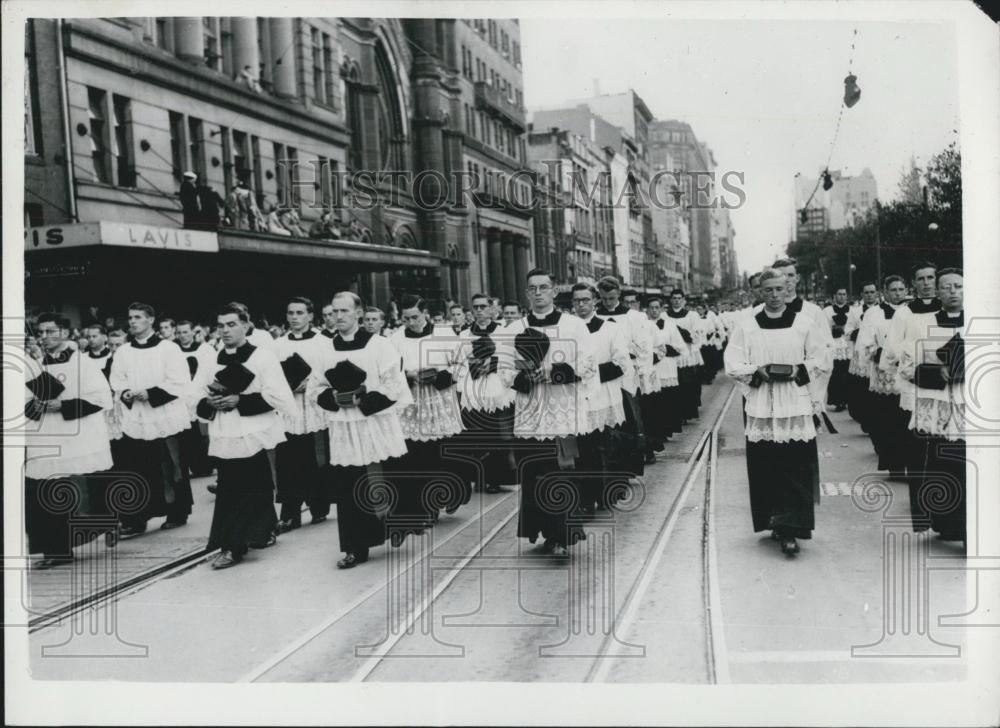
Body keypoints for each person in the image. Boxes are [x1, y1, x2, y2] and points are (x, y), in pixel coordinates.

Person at [724, 268, 831, 556]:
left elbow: (822, 359)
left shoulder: (804, 324)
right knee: (766, 467)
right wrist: (755, 371)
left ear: (788, 290)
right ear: (760, 291)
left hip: (795, 402)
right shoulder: (747, 327)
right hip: (762, 403)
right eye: (767, 290)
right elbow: (732, 363)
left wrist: (799, 370)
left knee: (796, 465)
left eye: (779, 290)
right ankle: (773, 520)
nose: (773, 295)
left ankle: (792, 526)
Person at [308, 292, 410, 569]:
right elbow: (314, 388)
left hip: (374, 422)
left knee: (382, 478)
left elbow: (394, 384)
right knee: (348, 484)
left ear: (358, 313)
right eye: (334, 312)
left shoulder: (380, 345)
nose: (338, 317)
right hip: (344, 426)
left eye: (344, 311)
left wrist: (362, 400)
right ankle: (355, 546)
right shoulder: (324, 349)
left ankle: (393, 525)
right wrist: (335, 399)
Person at [193, 303, 294, 569]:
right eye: (221, 325)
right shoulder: (210, 359)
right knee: (231, 486)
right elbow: (193, 397)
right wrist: (210, 403)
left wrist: (240, 399)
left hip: (253, 430)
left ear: (246, 325)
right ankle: (243, 539)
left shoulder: (262, 357)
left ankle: (240, 543)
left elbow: (278, 396)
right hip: (225, 431)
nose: (225, 330)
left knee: (255, 483)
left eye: (231, 324)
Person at [503, 268, 595, 555]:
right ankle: (542, 528)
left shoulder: (573, 326)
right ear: (527, 293)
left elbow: (587, 363)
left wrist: (554, 372)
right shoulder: (513, 329)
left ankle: (563, 533)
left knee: (560, 469)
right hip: (530, 409)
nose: (539, 292)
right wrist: (526, 377)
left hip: (562, 409)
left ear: (554, 292)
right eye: (533, 288)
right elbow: (504, 369)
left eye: (544, 287)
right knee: (534, 470)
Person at [23, 313, 114, 568]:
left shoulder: (83, 363)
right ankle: (55, 549)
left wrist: (62, 404)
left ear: (64, 332)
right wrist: (36, 405)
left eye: (50, 331)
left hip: (76, 433)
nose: (44, 337)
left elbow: (100, 399)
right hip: (45, 433)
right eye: (40, 332)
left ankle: (101, 527)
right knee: (45, 487)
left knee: (77, 488)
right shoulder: (36, 364)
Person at [109, 303, 193, 536]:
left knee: (170, 464)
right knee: (137, 466)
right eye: (130, 317)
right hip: (136, 415)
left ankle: (177, 511)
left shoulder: (169, 349)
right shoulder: (123, 351)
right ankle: (138, 517)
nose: (132, 321)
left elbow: (179, 380)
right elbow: (117, 379)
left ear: (151, 320)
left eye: (138, 317)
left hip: (163, 413)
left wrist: (150, 393)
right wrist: (125, 392)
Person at [390, 295, 467, 535]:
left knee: (440, 453)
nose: (411, 322)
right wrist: (410, 376)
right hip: (412, 401)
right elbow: (391, 371)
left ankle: (440, 499)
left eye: (415, 317)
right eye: (406, 318)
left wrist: (444, 375)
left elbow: (462, 363)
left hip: (439, 398)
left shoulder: (443, 333)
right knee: (415, 455)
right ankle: (422, 508)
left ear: (425, 313)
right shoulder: (395, 339)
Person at [899, 268, 966, 544]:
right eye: (946, 287)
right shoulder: (921, 323)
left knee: (967, 463)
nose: (952, 291)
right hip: (936, 404)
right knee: (942, 465)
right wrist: (935, 373)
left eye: (958, 286)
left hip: (969, 404)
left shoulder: (982, 320)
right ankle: (946, 523)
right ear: (937, 292)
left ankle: (967, 528)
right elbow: (905, 366)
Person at [272, 297, 331, 533]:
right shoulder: (278, 344)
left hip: (314, 408)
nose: (294, 317)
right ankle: (289, 514)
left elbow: (330, 370)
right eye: (290, 313)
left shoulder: (323, 342)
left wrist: (311, 383)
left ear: (309, 316)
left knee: (315, 459)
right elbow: (271, 374)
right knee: (288, 462)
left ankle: (319, 505)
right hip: (289, 410)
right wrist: (285, 386)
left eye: (299, 313)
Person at [880, 262, 942, 483]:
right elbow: (894, 346)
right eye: (921, 279)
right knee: (917, 430)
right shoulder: (905, 312)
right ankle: (919, 477)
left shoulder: (948, 308)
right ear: (914, 283)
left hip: (944, 377)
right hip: (916, 378)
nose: (926, 283)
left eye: (930, 278)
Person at [572, 283, 631, 514]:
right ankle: (587, 497)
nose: (581, 305)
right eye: (577, 301)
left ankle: (607, 493)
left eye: (586, 300)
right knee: (583, 448)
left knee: (605, 445)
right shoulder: (569, 330)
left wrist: (591, 372)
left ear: (595, 301)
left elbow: (622, 363)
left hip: (604, 395)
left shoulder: (609, 328)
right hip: (577, 395)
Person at [453, 292, 517, 494]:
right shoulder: (464, 335)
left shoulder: (504, 331)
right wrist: (472, 367)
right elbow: (457, 361)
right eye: (476, 307)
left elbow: (512, 358)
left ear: (492, 309)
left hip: (497, 388)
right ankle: (479, 477)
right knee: (477, 435)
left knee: (498, 435)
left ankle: (496, 478)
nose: (479, 311)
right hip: (474, 388)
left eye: (483, 306)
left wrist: (493, 364)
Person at [596, 277, 653, 472]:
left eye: (611, 298)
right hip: (603, 376)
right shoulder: (595, 317)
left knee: (630, 418)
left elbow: (644, 347)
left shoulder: (635, 317)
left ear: (619, 294)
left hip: (627, 375)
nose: (608, 303)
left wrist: (626, 353)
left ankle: (630, 465)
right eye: (604, 299)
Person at [857, 275, 908, 475]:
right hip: (884, 376)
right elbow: (865, 342)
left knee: (905, 422)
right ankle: (893, 463)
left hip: (905, 374)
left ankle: (908, 462)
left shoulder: (910, 311)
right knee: (888, 422)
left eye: (900, 289)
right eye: (893, 290)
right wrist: (880, 353)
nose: (897, 294)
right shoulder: (874, 314)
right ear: (884, 293)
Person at [175, 320, 216, 478]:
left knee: (203, 432)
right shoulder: (174, 350)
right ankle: (192, 464)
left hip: (199, 392)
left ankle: (205, 465)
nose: (182, 335)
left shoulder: (205, 349)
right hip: (182, 395)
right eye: (179, 332)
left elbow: (210, 371)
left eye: (185, 332)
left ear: (193, 332)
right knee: (187, 432)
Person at [665, 288, 705, 423]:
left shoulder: (692, 316)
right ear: (670, 300)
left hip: (688, 354)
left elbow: (698, 335)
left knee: (688, 384)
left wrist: (684, 334)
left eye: (679, 298)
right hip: (672, 355)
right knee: (674, 385)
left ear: (683, 300)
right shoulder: (665, 316)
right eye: (674, 298)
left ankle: (688, 412)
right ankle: (676, 413)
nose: (676, 301)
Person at [846, 282, 880, 428]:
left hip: (876, 354)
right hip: (860, 353)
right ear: (862, 294)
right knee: (861, 388)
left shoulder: (882, 310)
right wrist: (861, 333)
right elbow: (848, 330)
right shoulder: (855, 311)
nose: (870, 295)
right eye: (866, 292)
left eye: (872, 292)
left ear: (877, 293)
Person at [823, 288, 853, 411]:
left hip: (847, 345)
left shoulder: (853, 311)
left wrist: (845, 331)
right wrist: (832, 331)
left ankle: (846, 400)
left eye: (844, 294)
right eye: (839, 294)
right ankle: (837, 401)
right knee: (835, 374)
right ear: (834, 296)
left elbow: (855, 326)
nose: (841, 297)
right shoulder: (827, 311)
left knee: (847, 373)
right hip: (834, 345)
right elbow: (823, 327)